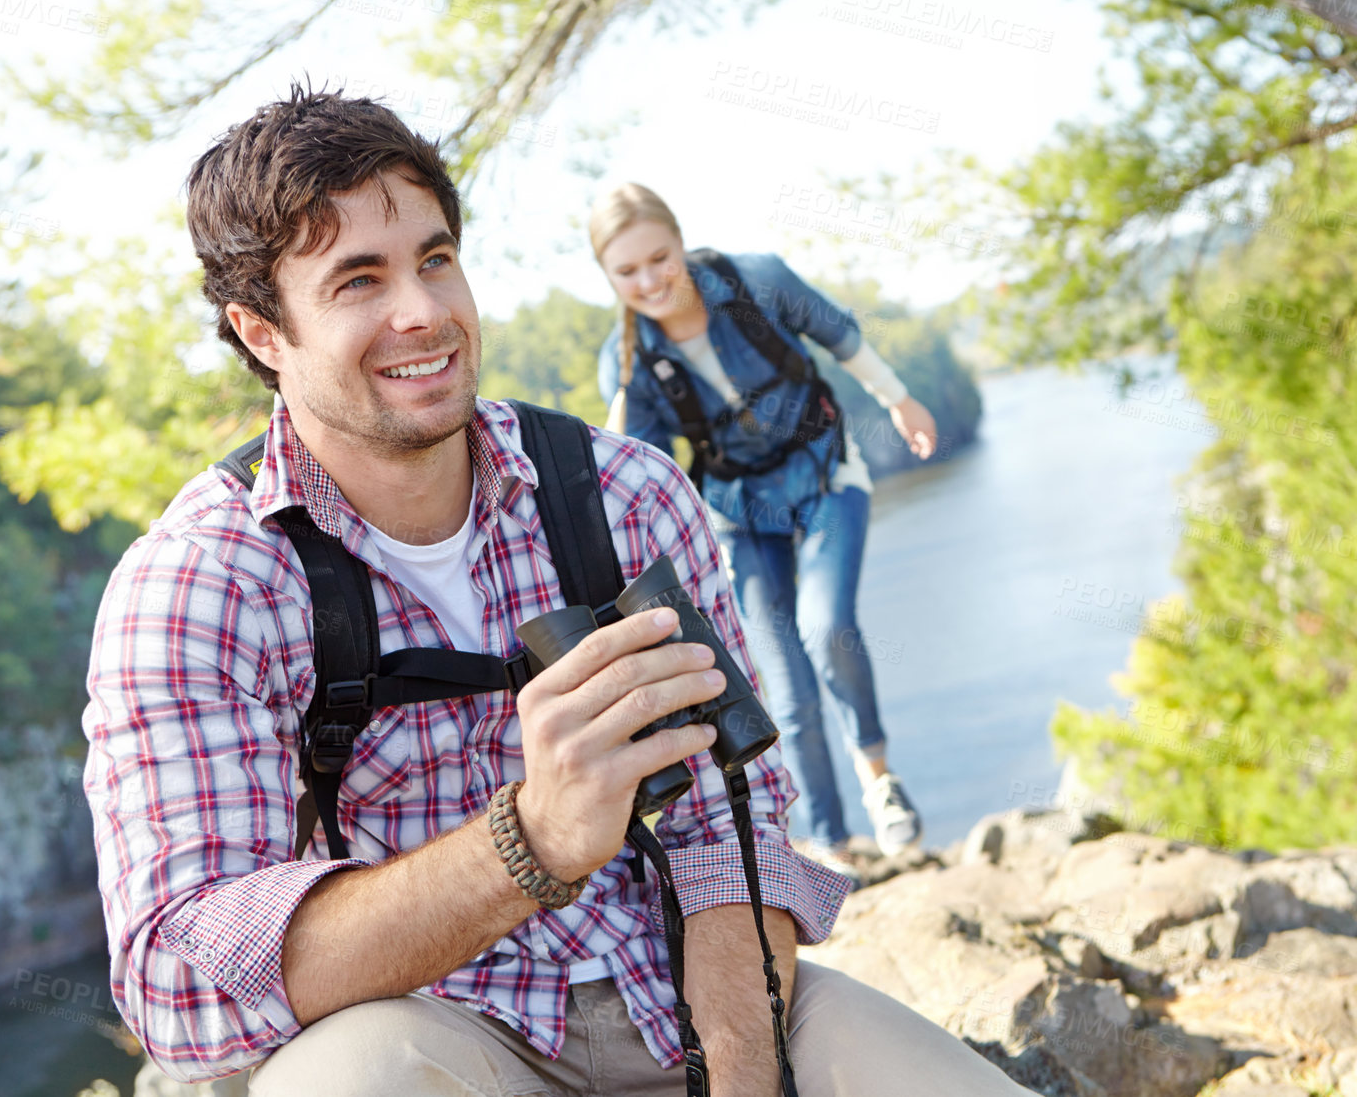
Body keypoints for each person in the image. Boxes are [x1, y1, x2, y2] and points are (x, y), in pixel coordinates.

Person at [82, 86, 1029, 1096]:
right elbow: (180, 993)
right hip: (429, 1036)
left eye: (435, 258)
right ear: (262, 333)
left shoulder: (622, 496)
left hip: (685, 1000)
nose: (425, 311)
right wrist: (530, 837)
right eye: (358, 279)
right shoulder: (197, 585)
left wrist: (745, 1075)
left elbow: (729, 832)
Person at [591, 184, 933, 866]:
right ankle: (834, 844)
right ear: (608, 278)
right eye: (626, 271)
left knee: (823, 623)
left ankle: (879, 781)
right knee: (782, 674)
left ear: (681, 243)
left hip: (825, 473)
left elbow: (838, 333)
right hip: (741, 512)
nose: (650, 280)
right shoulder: (628, 365)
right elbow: (644, 475)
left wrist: (901, 400)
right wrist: (620, 422)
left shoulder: (758, 280)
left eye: (660, 258)